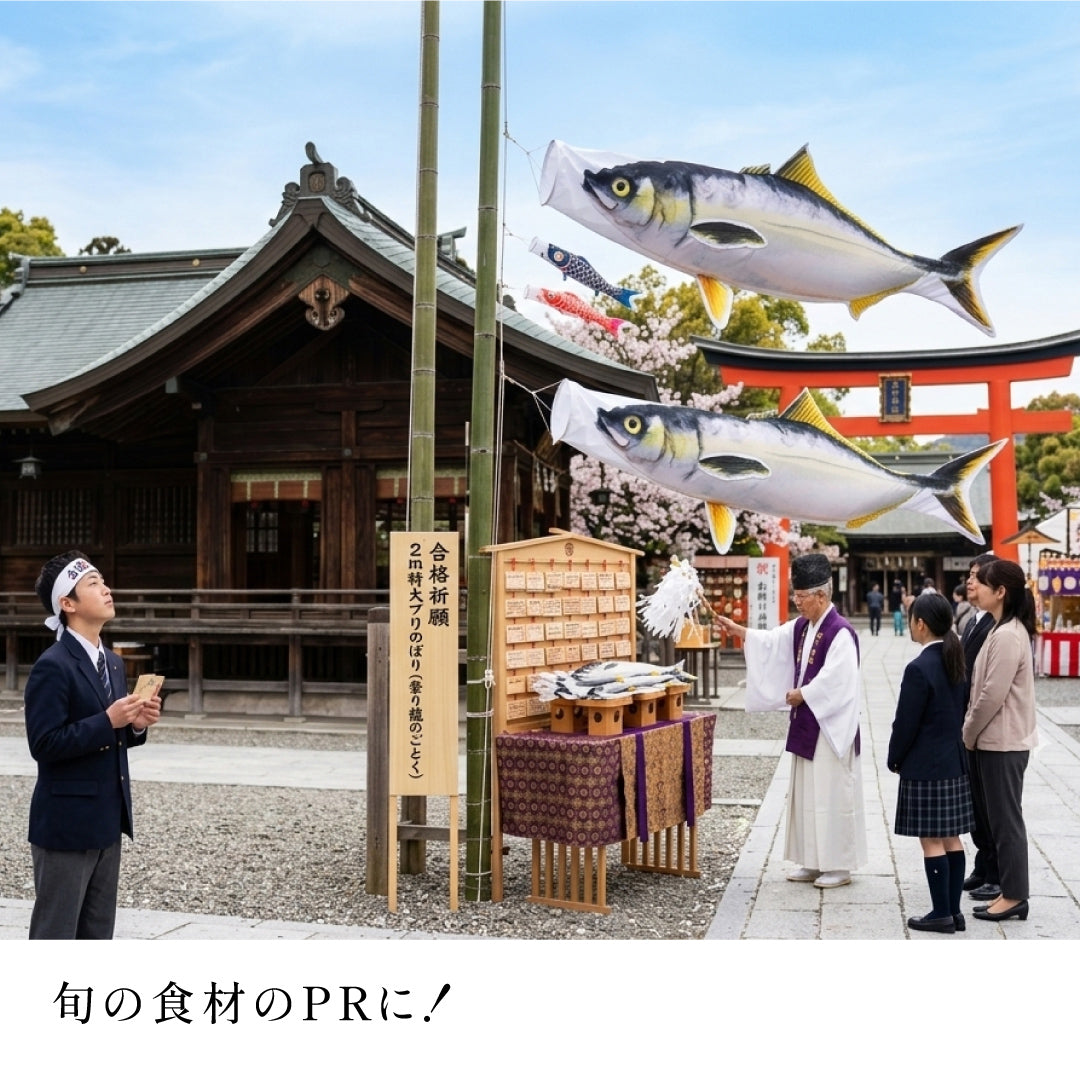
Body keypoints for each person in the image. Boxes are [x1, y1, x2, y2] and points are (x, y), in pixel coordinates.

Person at [24, 551, 161, 938]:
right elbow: (44, 744)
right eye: (93, 584)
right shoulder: (53, 665)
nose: (106, 589)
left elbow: (110, 737)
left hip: (106, 818)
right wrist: (108, 720)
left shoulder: (113, 663)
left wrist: (134, 726)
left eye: (103, 581)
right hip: (65, 823)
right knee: (56, 933)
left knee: (98, 935)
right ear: (67, 604)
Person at [716, 553, 866, 888]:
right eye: (795, 596)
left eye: (802, 597)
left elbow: (838, 680)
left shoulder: (840, 632)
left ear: (822, 596)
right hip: (807, 723)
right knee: (807, 795)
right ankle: (811, 861)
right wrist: (740, 630)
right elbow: (772, 641)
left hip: (830, 727)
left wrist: (805, 694)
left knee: (829, 794)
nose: (797, 603)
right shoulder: (803, 626)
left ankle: (839, 864)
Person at [887, 592, 975, 934]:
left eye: (911, 618)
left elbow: (905, 722)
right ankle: (953, 912)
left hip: (925, 765)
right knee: (952, 836)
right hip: (953, 761)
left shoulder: (919, 667)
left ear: (920, 624)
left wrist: (895, 758)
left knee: (931, 840)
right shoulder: (956, 660)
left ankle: (940, 913)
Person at [963, 558, 1037, 923]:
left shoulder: (1007, 634)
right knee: (1000, 819)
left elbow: (991, 694)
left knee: (1006, 821)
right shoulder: (1000, 628)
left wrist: (969, 731)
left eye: (984, 582)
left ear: (1001, 591)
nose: (976, 586)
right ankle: (1010, 891)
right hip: (997, 740)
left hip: (1003, 741)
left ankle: (1015, 895)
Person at [960, 552, 999, 900]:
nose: (970, 581)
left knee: (990, 803)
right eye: (970, 575)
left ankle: (997, 871)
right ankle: (984, 862)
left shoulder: (996, 626)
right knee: (975, 800)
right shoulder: (973, 620)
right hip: (968, 721)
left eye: (977, 576)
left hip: (985, 727)